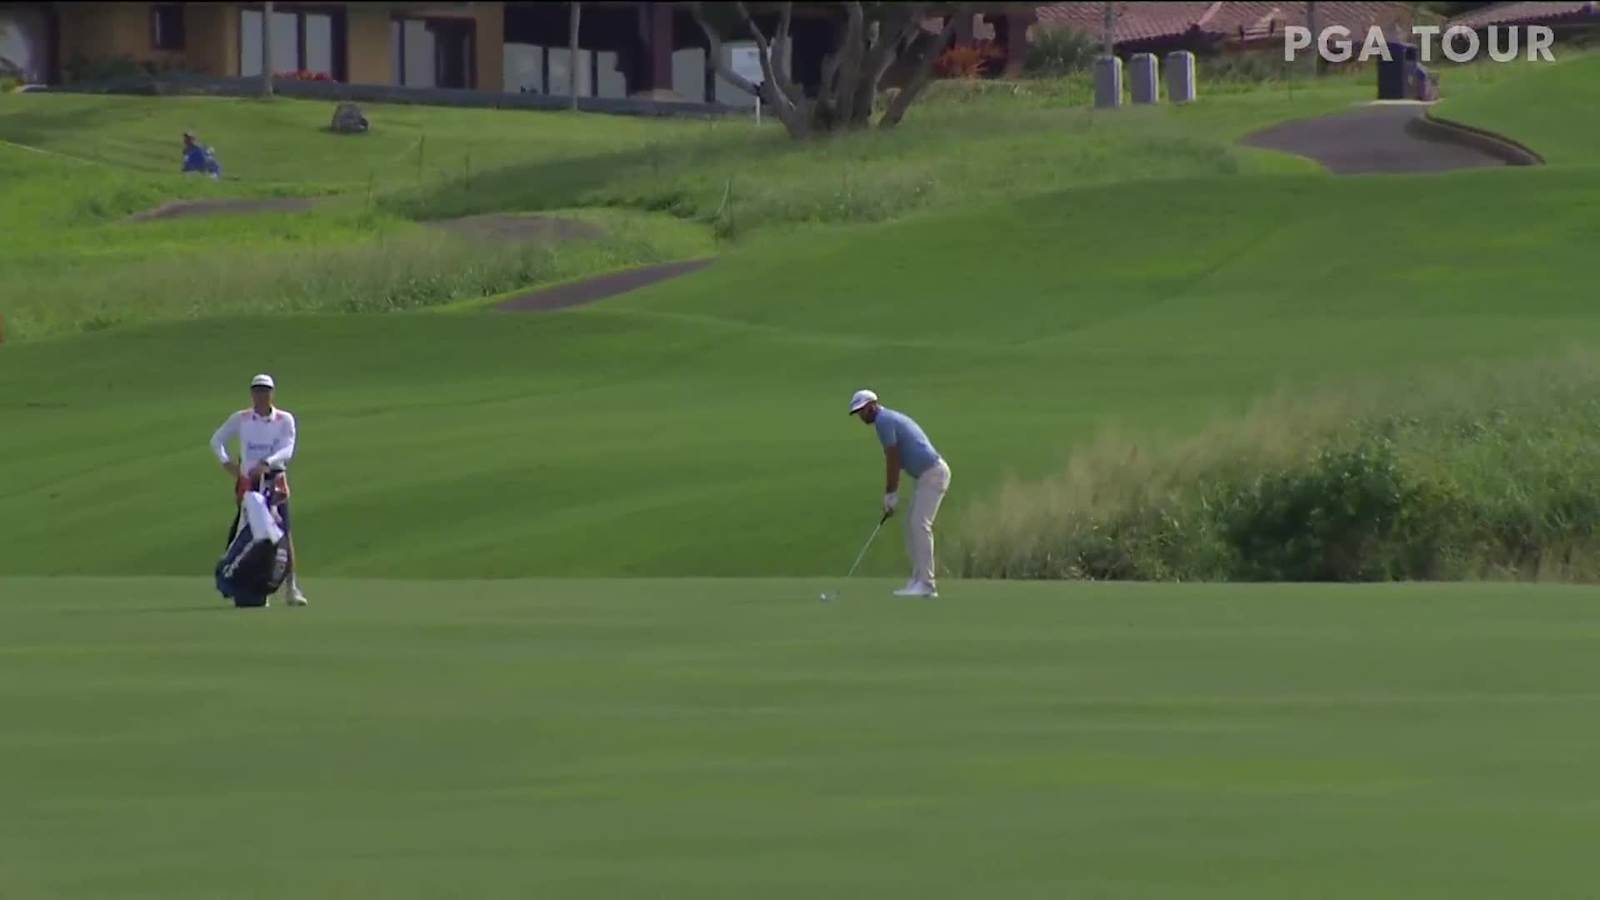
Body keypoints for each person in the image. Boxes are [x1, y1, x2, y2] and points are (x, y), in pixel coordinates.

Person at [210, 373, 308, 606]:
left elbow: (287, 449)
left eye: (265, 390)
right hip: (248, 482)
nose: (260, 395)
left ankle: (291, 587)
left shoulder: (285, 419)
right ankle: (245, 584)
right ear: (251, 393)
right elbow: (217, 440)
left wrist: (268, 463)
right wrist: (226, 463)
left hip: (275, 480)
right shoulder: (241, 418)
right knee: (246, 531)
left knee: (283, 532)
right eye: (256, 390)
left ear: (272, 393)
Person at [848, 389, 951, 597]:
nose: (860, 416)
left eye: (862, 410)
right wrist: (892, 493)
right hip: (928, 475)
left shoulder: (884, 421)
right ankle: (918, 580)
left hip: (933, 473)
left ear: (872, 405)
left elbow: (893, 459)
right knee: (912, 525)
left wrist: (890, 494)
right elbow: (899, 458)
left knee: (919, 525)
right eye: (857, 412)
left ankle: (927, 585)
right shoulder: (887, 419)